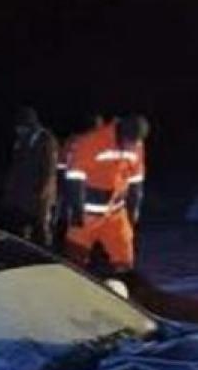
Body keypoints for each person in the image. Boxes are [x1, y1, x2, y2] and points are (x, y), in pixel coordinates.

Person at [61, 114, 150, 278]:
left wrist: (132, 212)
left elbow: (136, 182)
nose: (132, 146)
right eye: (129, 142)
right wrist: (77, 212)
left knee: (125, 257)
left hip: (116, 213)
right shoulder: (91, 141)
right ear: (121, 133)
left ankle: (123, 285)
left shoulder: (137, 144)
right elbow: (74, 177)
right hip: (87, 215)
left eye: (135, 142)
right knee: (75, 258)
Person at [0, 106, 58, 246]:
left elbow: (49, 171)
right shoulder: (22, 140)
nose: (18, 130)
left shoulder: (45, 139)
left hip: (37, 197)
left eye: (20, 126)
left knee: (39, 231)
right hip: (20, 195)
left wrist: (42, 195)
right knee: (18, 229)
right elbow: (16, 167)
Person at [54, 113, 106, 249]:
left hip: (69, 185)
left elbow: (61, 164)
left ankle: (62, 245)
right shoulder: (99, 144)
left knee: (66, 219)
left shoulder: (72, 140)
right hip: (88, 189)